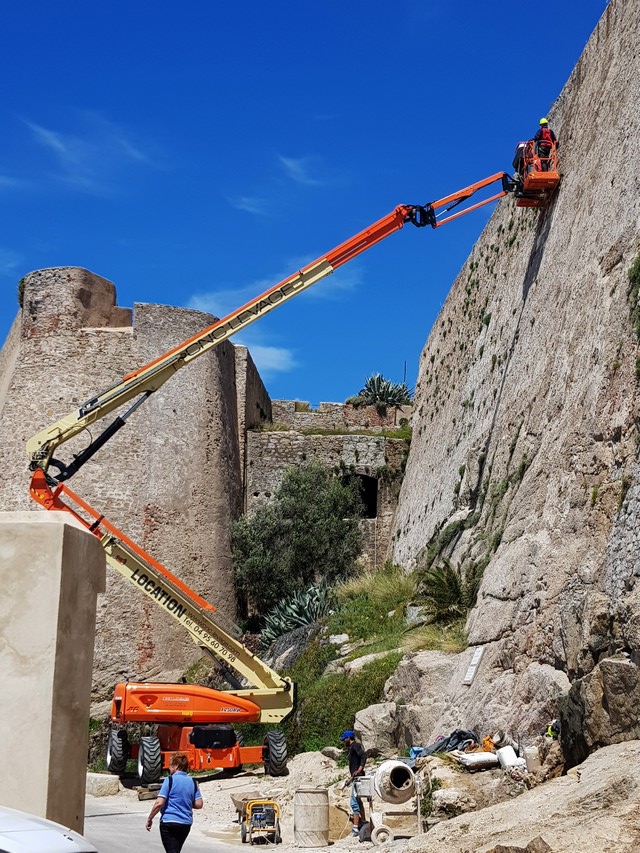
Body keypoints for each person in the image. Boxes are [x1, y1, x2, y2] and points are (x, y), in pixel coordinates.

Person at [145, 752, 203, 853]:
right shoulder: (193, 782)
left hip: (169, 823)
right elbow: (199, 804)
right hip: (185, 824)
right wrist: (184, 801)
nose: (169, 767)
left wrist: (150, 819)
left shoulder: (169, 780)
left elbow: (159, 803)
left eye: (171, 765)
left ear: (176, 766)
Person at [340, 730, 367, 837]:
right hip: (356, 778)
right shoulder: (353, 747)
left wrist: (359, 770)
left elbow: (364, 756)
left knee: (354, 803)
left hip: (358, 779)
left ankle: (355, 828)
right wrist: (350, 779)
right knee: (359, 802)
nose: (343, 742)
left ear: (348, 738)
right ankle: (363, 822)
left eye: (344, 740)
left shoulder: (355, 746)